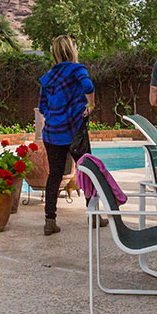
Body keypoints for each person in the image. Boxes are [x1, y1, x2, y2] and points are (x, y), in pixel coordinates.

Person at [37, 35, 95, 236]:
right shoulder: (77, 70)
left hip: (52, 133)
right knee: (88, 171)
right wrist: (89, 106)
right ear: (72, 50)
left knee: (55, 174)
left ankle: (49, 221)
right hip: (74, 131)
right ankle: (94, 216)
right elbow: (88, 87)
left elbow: (42, 106)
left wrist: (57, 115)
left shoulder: (48, 77)